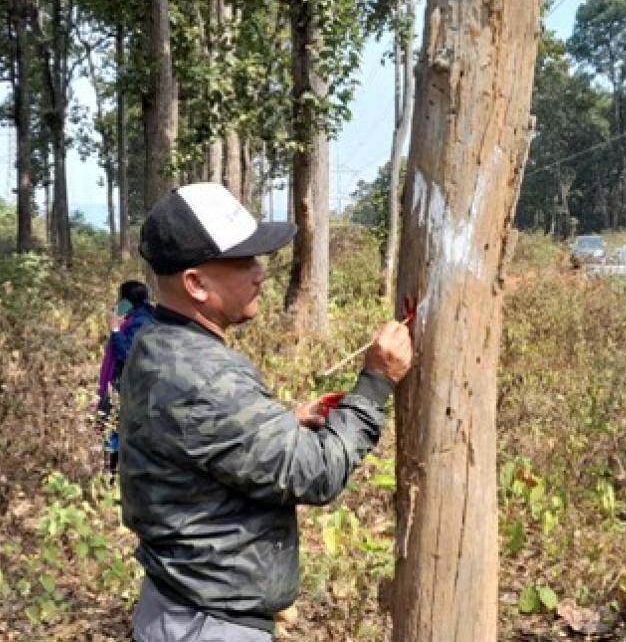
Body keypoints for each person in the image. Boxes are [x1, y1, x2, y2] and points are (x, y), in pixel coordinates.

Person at [120, 183, 413, 641]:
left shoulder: (158, 341)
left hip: (178, 608)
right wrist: (375, 383)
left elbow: (195, 438)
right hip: (206, 625)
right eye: (244, 262)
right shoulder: (204, 375)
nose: (261, 273)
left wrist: (280, 425)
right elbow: (316, 473)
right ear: (196, 283)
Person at [96, 280, 155, 474]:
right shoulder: (137, 317)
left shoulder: (142, 321)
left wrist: (115, 330)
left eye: (121, 298)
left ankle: (111, 476)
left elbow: (127, 354)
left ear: (127, 300)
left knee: (112, 429)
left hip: (128, 385)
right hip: (127, 384)